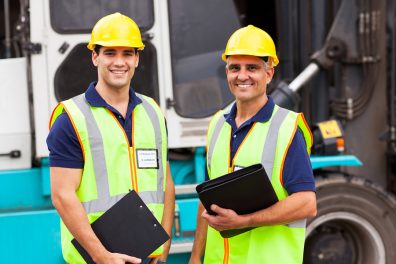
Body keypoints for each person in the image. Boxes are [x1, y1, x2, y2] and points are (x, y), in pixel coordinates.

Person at [47, 13, 174, 264]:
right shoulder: (71, 119)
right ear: (95, 57)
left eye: (127, 53)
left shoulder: (153, 112)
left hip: (148, 256)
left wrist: (164, 245)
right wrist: (102, 256)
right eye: (110, 53)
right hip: (97, 259)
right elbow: (62, 194)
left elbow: (165, 184)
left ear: (137, 58)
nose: (119, 62)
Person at [189, 25, 317, 264]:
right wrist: (196, 257)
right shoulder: (217, 124)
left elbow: (306, 203)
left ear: (269, 74)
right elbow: (206, 200)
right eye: (235, 67)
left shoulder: (287, 128)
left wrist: (243, 222)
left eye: (253, 68)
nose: (242, 76)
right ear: (226, 72)